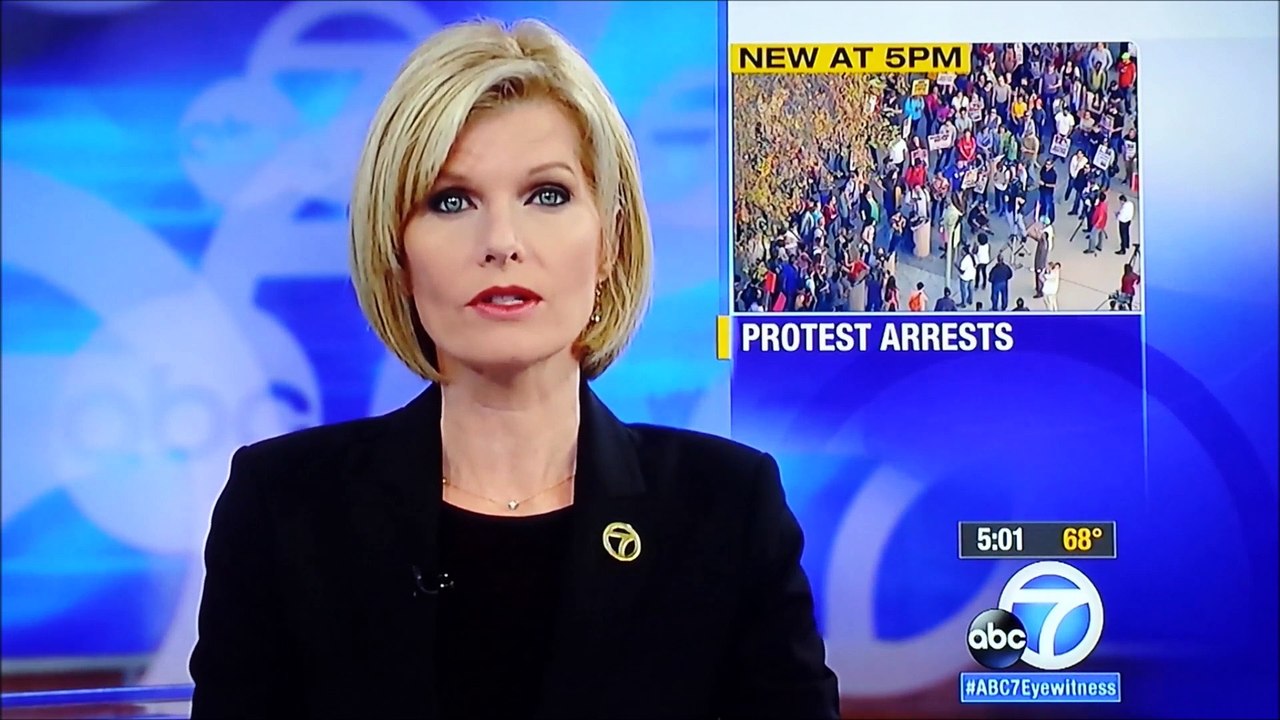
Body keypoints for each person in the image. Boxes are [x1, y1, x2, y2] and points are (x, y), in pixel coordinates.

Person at [188, 19, 840, 720]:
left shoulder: (729, 508)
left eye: (547, 195)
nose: (501, 242)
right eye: (451, 201)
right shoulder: (282, 508)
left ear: (609, 241)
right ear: (397, 253)